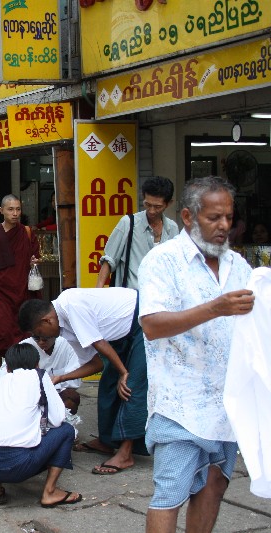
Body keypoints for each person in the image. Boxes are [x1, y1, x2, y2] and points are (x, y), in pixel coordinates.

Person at [138, 176, 254, 533]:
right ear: (188, 217)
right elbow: (153, 325)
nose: (223, 227)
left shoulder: (239, 266)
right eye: (214, 218)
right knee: (170, 494)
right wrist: (215, 308)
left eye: (228, 218)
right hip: (180, 405)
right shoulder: (163, 262)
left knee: (215, 486)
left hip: (226, 405)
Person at [18, 287, 146, 475]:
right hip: (119, 334)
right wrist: (62, 377)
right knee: (108, 384)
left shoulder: (70, 305)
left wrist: (124, 373)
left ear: (47, 320)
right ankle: (106, 441)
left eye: (39, 333)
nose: (40, 339)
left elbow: (99, 343)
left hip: (140, 319)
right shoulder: (65, 330)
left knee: (131, 386)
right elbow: (96, 364)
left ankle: (126, 453)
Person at [0, 344, 81, 508]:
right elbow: (58, 418)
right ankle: (50, 492)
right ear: (37, 364)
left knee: (6, 434)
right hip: (18, 465)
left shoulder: (2, 380)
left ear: (9, 367)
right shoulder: (39, 376)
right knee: (66, 430)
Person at [0, 194, 40, 378]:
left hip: (22, 289)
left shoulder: (27, 233)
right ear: (1, 211)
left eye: (18, 209)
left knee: (22, 331)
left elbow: (35, 259)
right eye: (10, 209)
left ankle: (19, 367)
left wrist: (35, 262)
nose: (15, 213)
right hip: (0, 291)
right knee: (4, 330)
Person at [96, 176, 178, 289]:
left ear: (168, 203)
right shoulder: (128, 223)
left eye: (157, 206)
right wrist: (98, 292)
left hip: (160, 297)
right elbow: (109, 260)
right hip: (130, 297)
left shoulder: (172, 228)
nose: (152, 211)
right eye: (147, 204)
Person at [16, 334, 82, 414]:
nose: (40, 342)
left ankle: (65, 421)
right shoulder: (24, 346)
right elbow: (5, 374)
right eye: (36, 338)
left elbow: (74, 380)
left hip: (58, 391)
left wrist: (51, 386)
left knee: (71, 397)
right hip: (31, 391)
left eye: (45, 339)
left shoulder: (68, 345)